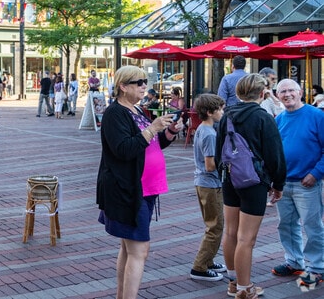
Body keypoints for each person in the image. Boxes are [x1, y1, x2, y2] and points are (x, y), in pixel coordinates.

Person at [96, 66, 183, 299]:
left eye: (145, 81)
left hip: (145, 188)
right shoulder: (115, 113)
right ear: (123, 86)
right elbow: (124, 149)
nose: (145, 85)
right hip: (127, 189)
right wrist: (153, 127)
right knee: (139, 249)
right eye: (139, 82)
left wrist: (169, 132)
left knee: (129, 247)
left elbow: (150, 145)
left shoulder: (136, 109)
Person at [215, 73, 285, 299]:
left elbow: (218, 152)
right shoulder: (264, 118)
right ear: (263, 93)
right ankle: (245, 289)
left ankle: (234, 282)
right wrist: (277, 183)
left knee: (232, 232)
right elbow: (275, 156)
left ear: (238, 93)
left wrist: (223, 175)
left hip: (229, 178)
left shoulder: (227, 116)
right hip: (253, 181)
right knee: (247, 238)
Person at [271, 78, 324, 286]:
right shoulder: (279, 119)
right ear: (277, 95)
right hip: (284, 183)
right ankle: (294, 262)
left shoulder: (317, 116)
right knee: (286, 225)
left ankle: (318, 267)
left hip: (307, 183)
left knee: (312, 227)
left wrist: (316, 173)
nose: (287, 95)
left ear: (300, 92)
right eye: (282, 92)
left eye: (291, 90)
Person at [190, 93, 226, 282]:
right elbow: (210, 164)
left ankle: (208, 260)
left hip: (203, 182)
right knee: (215, 226)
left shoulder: (203, 129)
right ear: (210, 112)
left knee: (214, 224)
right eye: (220, 109)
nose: (222, 112)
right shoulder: (210, 134)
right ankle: (200, 266)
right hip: (210, 183)